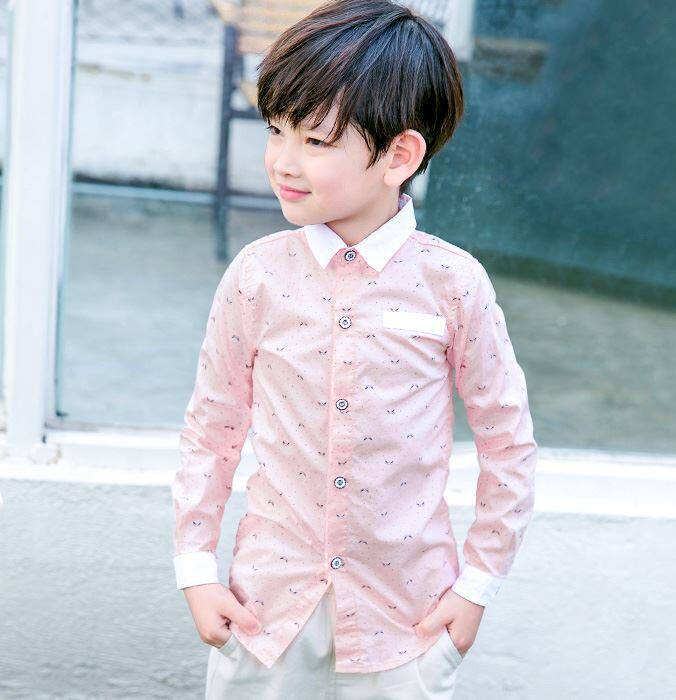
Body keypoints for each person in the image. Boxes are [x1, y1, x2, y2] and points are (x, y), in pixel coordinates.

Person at [171, 1, 537, 697]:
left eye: (315, 139)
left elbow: (507, 442)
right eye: (275, 130)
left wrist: (477, 586)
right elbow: (212, 429)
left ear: (399, 156)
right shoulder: (256, 276)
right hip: (265, 613)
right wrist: (195, 567)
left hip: (407, 622)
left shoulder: (453, 284)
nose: (283, 161)